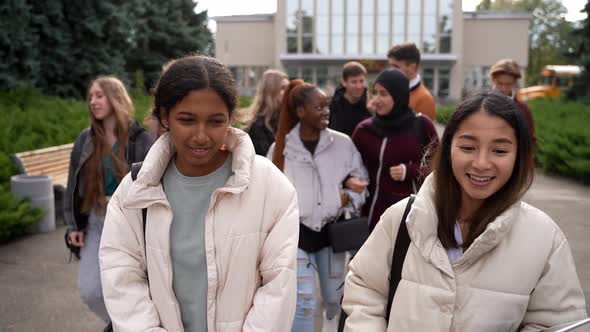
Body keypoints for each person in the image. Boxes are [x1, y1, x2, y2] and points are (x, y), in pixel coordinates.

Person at [342, 90, 588, 331]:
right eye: (468, 148)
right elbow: (364, 289)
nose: (481, 163)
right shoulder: (402, 218)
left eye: (500, 151)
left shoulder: (544, 238)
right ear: (448, 149)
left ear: (519, 156)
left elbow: (559, 322)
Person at [99, 55, 300, 332]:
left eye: (216, 121)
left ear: (230, 118)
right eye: (187, 120)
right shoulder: (134, 191)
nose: (201, 135)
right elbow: (122, 278)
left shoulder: (271, 186)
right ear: (165, 116)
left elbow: (278, 287)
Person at [268, 80, 368, 331]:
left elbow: (362, 182)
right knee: (303, 301)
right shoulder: (280, 149)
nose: (326, 111)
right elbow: (269, 192)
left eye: (327, 106)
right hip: (296, 235)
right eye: (319, 107)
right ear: (301, 112)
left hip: (331, 236)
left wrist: (346, 197)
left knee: (334, 300)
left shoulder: (342, 144)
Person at [63, 76, 154, 324]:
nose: (93, 101)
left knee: (137, 290)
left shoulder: (140, 140)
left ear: (116, 97)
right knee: (91, 291)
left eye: (99, 95)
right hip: (96, 218)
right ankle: (123, 326)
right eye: (90, 96)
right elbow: (73, 184)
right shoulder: (86, 139)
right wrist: (73, 225)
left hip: (130, 222)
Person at [352, 68, 439, 231]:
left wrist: (411, 170)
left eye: (383, 94)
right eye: (374, 93)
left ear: (399, 95)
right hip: (373, 218)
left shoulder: (421, 125)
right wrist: (349, 181)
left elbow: (442, 168)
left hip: (413, 217)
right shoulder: (364, 130)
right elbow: (347, 168)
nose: (376, 100)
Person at [489, 58, 536, 149]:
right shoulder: (480, 105)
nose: (503, 89)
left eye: (508, 84)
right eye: (500, 83)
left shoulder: (523, 109)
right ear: (493, 80)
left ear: (514, 83)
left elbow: (530, 140)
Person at [387, 42, 436, 121]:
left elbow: (425, 132)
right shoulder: (387, 91)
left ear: (412, 67)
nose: (391, 70)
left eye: (396, 66)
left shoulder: (425, 99)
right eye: (390, 66)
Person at [246, 69, 289, 156]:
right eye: (283, 88)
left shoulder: (290, 118)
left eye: (289, 88)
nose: (288, 92)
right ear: (271, 91)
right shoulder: (257, 126)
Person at [328, 61, 372, 137]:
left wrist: (373, 113)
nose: (358, 86)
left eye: (361, 81)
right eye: (354, 82)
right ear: (344, 82)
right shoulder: (332, 107)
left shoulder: (370, 105)